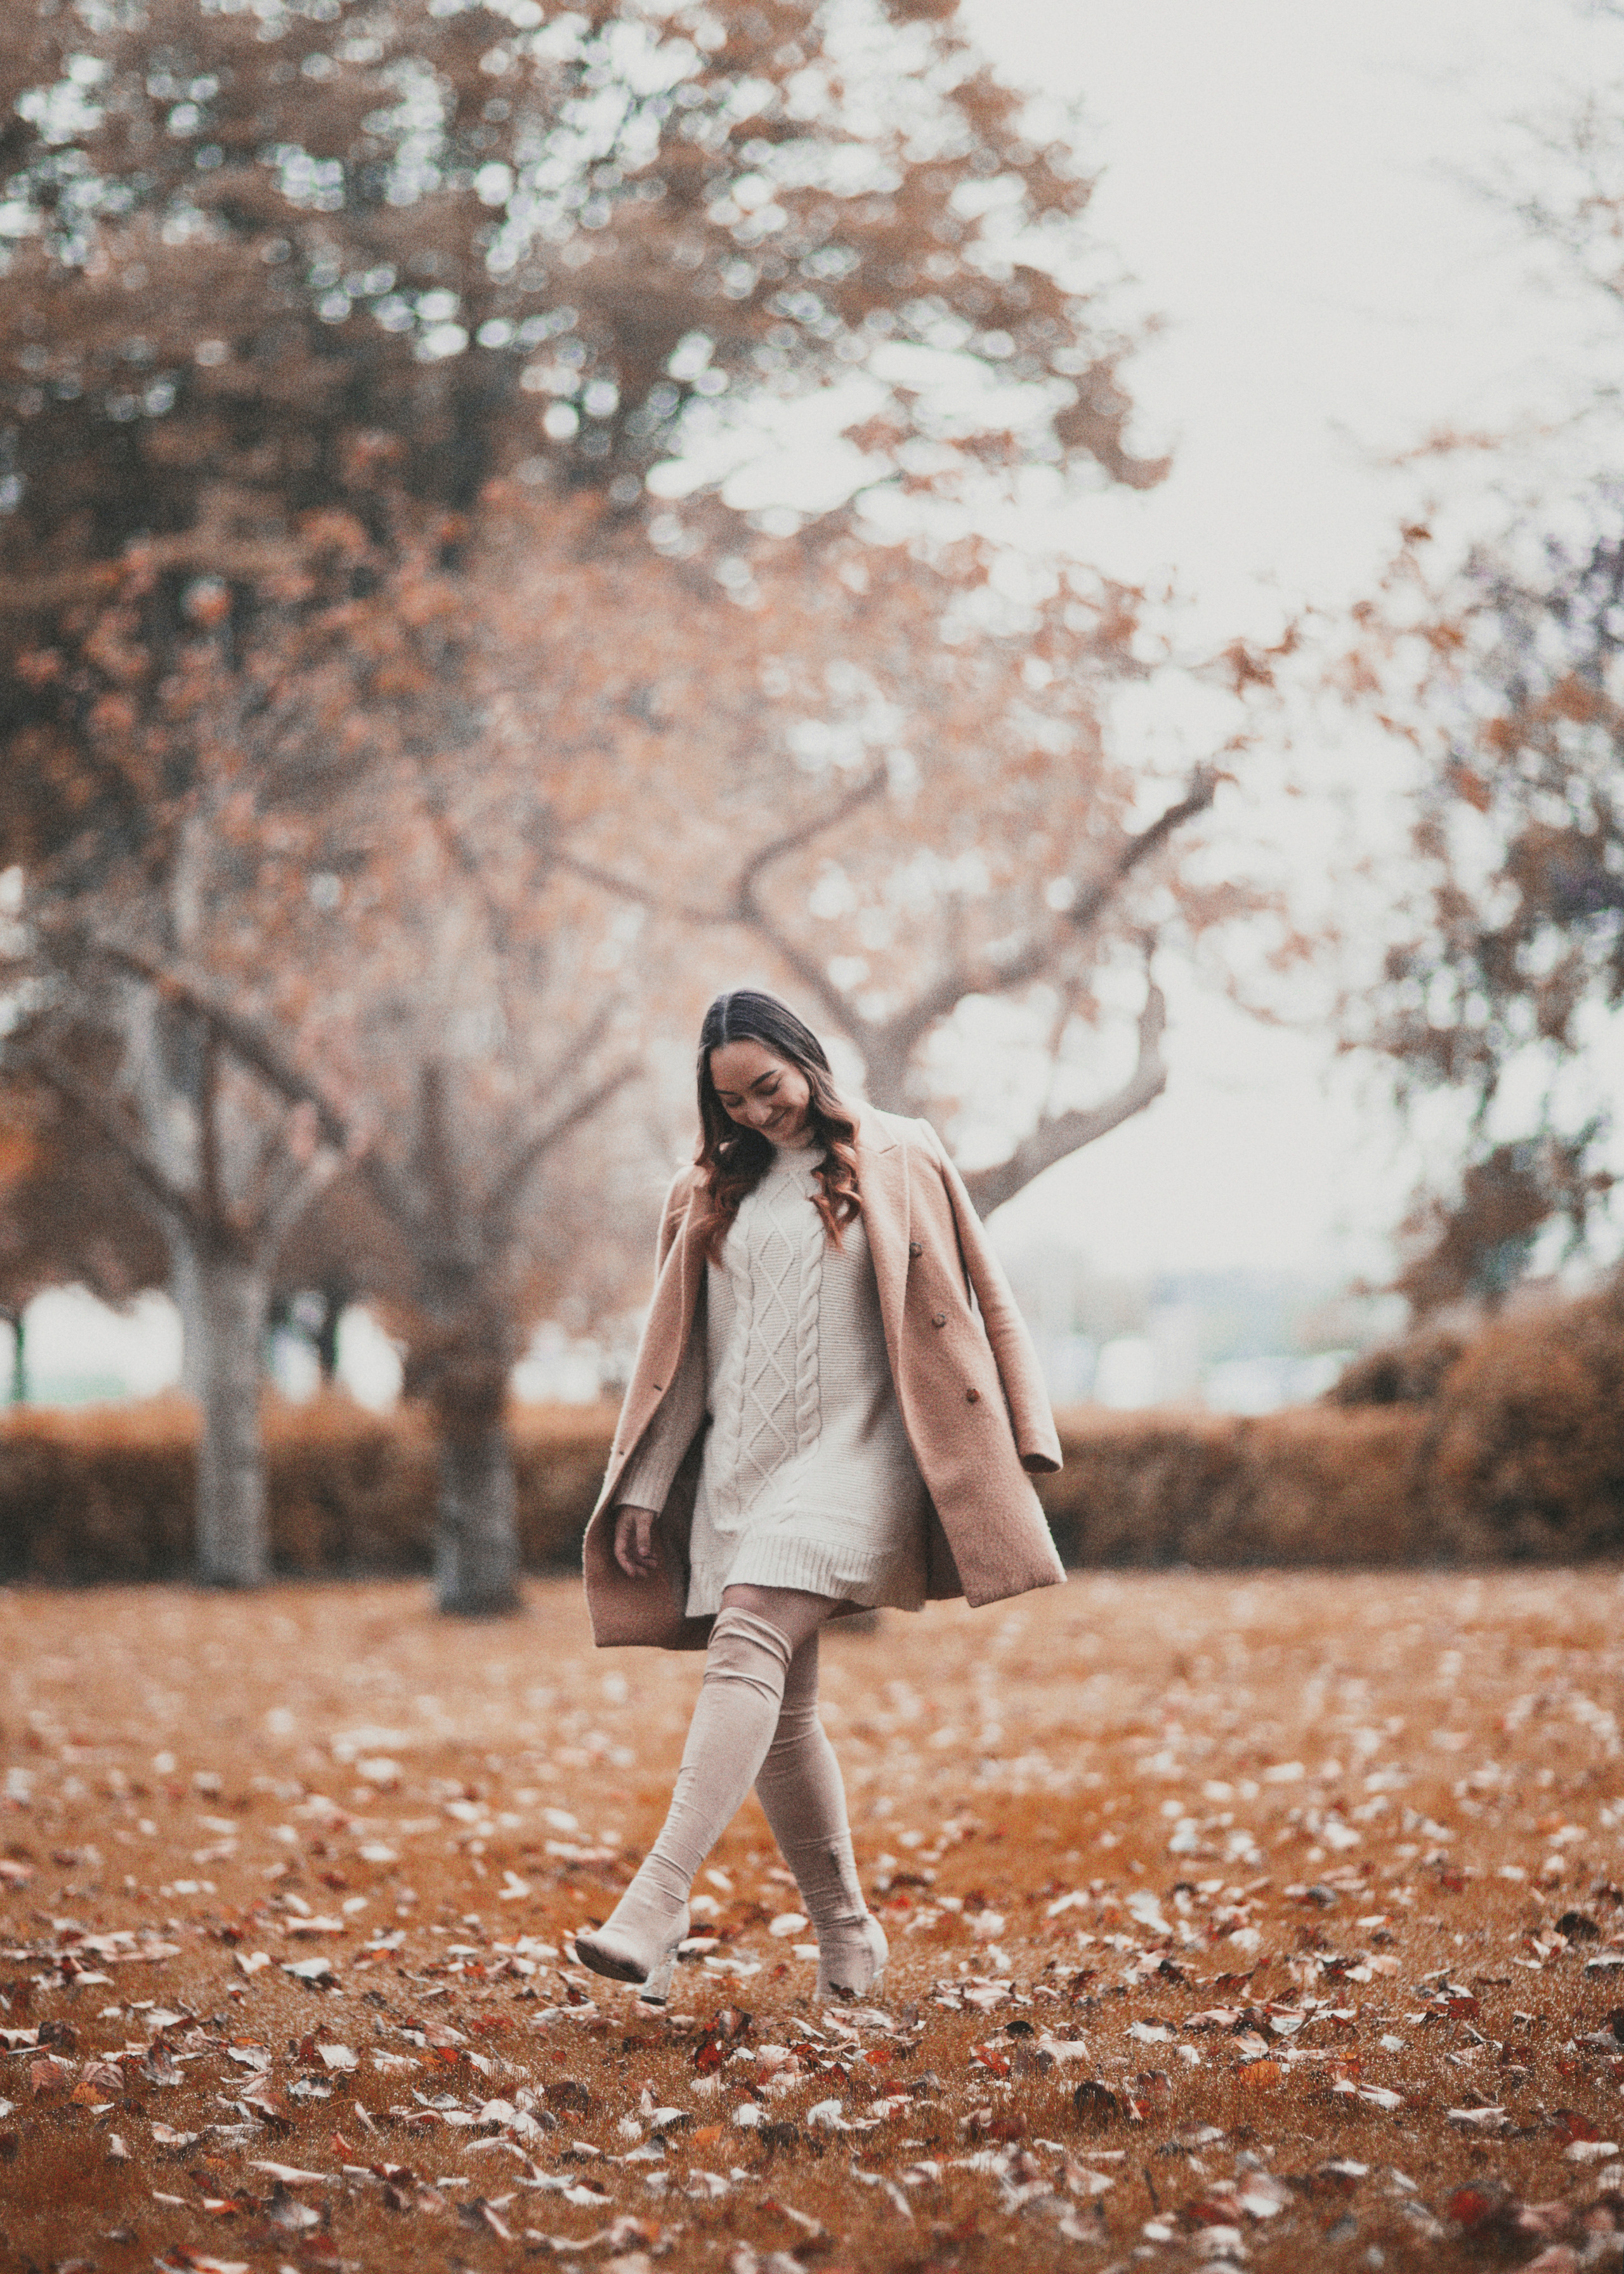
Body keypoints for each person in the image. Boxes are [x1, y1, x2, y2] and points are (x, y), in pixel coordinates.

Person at [575, 989, 1064, 2004]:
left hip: (862, 1455)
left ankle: (657, 1900)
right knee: (785, 1716)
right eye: (734, 1102)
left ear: (807, 1057)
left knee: (746, 1632)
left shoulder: (902, 1154)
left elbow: (985, 1295)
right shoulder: (704, 1191)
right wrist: (647, 1487)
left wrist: (1027, 1437)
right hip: (743, 1470)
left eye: (770, 1086)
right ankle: (848, 1934)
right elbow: (684, 1359)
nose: (759, 1113)